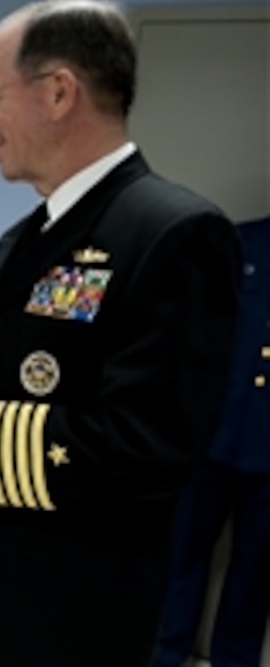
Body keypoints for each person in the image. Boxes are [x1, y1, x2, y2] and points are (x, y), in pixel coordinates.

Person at [0, 0, 241, 667]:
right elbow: (22, 382)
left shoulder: (173, 232)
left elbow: (146, 445)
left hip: (61, 621)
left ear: (58, 92)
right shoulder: (31, 233)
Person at [154, 215, 270, 667]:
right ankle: (165, 651)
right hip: (213, 431)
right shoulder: (240, 242)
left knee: (255, 570)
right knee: (182, 552)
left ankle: (234, 660)